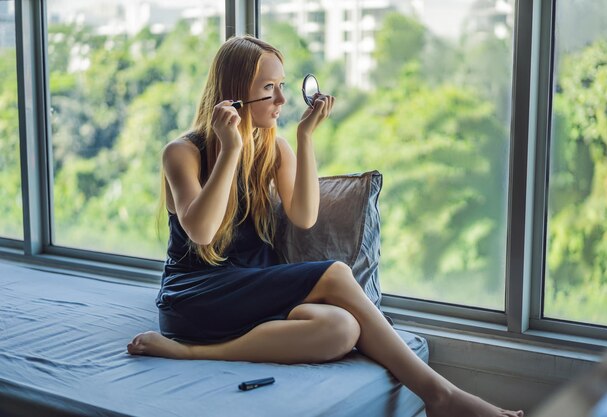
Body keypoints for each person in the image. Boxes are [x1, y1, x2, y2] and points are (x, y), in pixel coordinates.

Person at [127, 35, 523, 417]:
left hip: (252, 286)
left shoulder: (273, 147)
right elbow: (202, 232)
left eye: (283, 86)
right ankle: (440, 393)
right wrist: (230, 148)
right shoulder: (182, 152)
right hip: (196, 295)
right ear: (233, 95)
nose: (282, 99)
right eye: (270, 88)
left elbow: (304, 216)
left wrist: (304, 137)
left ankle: (198, 353)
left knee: (342, 328)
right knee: (336, 273)